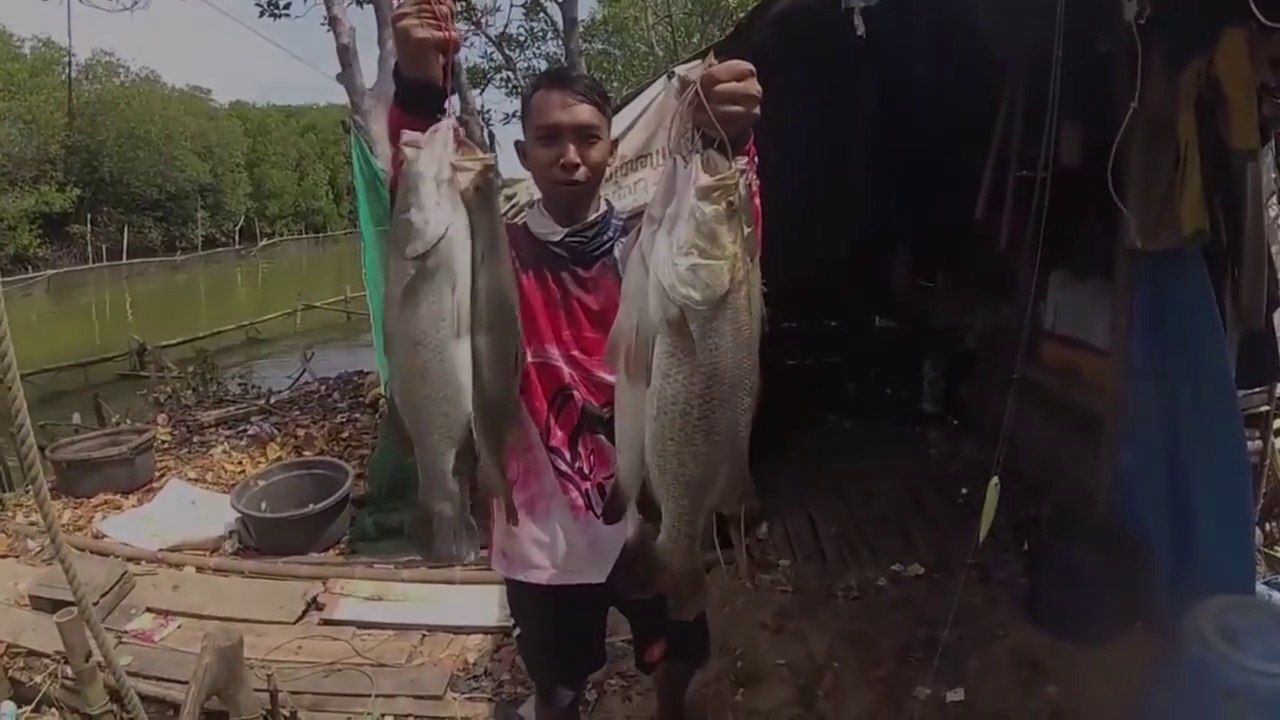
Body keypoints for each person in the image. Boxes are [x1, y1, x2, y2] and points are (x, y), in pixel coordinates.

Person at [388, 2, 763, 718]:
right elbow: (416, 206)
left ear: (612, 151)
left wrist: (733, 137)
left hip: (648, 519)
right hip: (541, 542)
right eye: (549, 138)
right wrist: (416, 83)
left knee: (681, 652)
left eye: (588, 137)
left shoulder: (647, 245)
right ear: (524, 153)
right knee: (559, 681)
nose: (570, 154)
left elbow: (731, 252)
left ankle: (669, 710)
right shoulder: (489, 254)